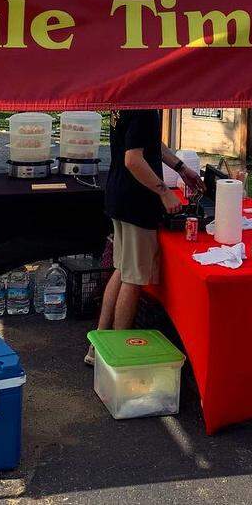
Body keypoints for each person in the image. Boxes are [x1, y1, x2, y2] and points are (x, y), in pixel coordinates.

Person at [86, 109, 202, 365]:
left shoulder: (130, 101)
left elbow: (148, 142)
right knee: (133, 278)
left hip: (119, 196)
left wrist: (181, 168)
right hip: (136, 203)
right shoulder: (146, 110)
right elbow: (133, 160)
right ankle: (117, 354)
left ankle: (97, 347)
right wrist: (164, 193)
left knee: (122, 269)